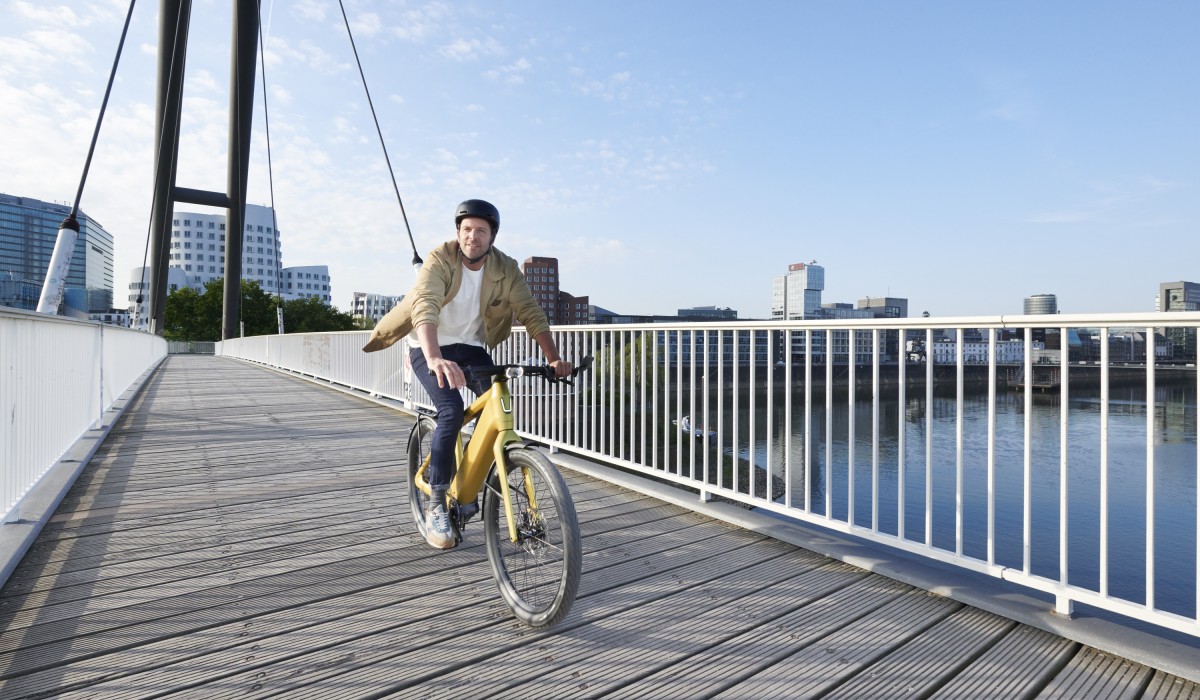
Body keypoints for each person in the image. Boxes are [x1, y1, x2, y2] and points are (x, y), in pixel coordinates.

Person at [362, 199, 571, 549]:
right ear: (458, 233)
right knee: (451, 411)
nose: (472, 237)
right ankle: (437, 504)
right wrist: (433, 358)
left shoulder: (506, 268)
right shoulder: (439, 259)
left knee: (498, 405)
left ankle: (472, 480)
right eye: (466, 230)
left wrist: (554, 358)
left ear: (492, 237)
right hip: (427, 346)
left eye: (481, 231)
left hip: (470, 347)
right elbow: (425, 305)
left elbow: (530, 312)